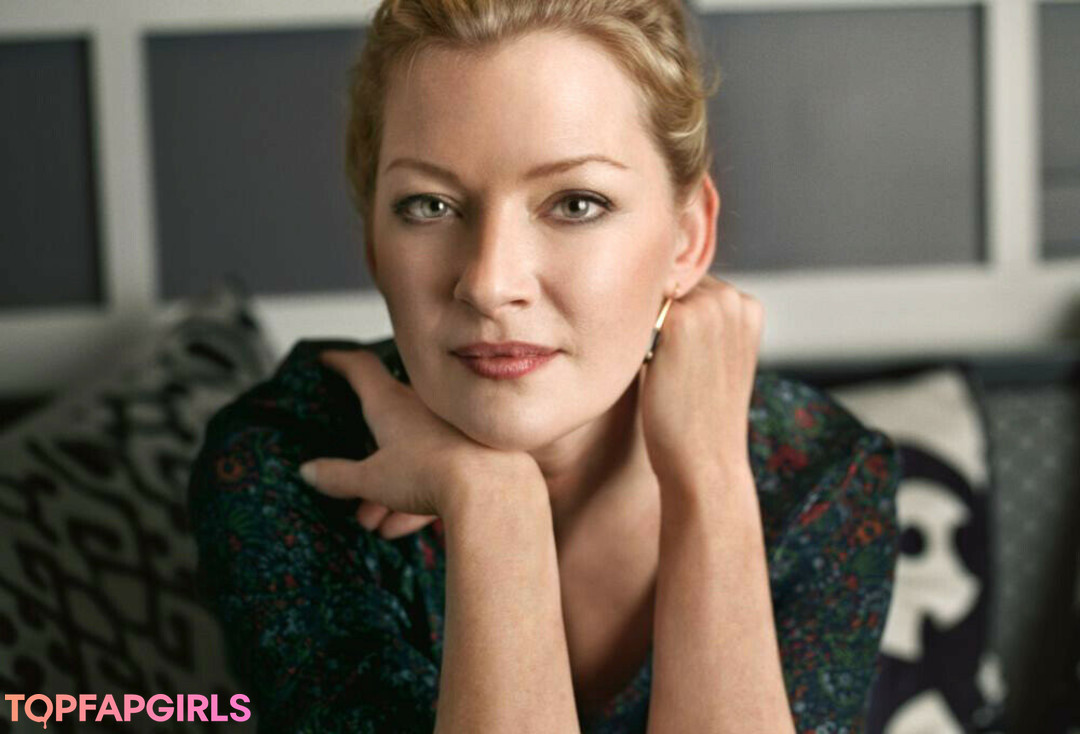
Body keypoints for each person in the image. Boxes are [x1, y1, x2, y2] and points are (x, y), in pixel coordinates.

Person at [187, 0, 902, 731]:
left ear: (687, 239)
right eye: (430, 206)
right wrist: (496, 507)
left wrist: (712, 483)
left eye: (576, 204)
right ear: (373, 242)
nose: (490, 283)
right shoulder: (289, 463)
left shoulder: (820, 478)